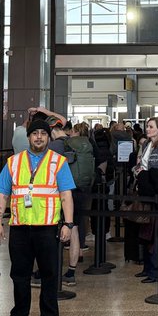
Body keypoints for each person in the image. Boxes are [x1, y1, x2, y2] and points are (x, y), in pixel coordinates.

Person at [0, 114, 76, 316]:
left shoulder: (58, 162)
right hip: (20, 227)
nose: (39, 137)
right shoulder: (14, 162)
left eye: (43, 134)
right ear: (28, 137)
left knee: (49, 276)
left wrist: (68, 224)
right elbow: (2, 193)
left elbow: (66, 195)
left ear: (49, 138)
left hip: (47, 228)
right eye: (35, 134)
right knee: (19, 276)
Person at [133, 117, 158, 280]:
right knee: (146, 232)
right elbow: (141, 164)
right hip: (146, 193)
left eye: (151, 127)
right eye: (147, 126)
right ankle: (147, 267)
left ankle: (155, 271)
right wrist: (137, 170)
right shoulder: (145, 144)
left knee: (156, 235)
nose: (147, 129)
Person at [62, 122, 97, 286]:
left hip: (66, 189)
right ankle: (71, 271)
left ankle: (49, 268)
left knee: (58, 228)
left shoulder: (65, 143)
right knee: (75, 227)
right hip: (83, 189)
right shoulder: (89, 143)